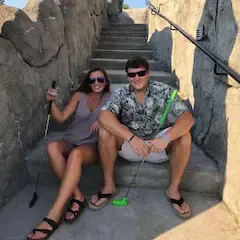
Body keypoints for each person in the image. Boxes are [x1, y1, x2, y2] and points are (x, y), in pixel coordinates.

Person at [88, 56, 194, 219]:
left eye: (141, 73)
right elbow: (104, 116)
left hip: (157, 146)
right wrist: (132, 139)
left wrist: (165, 138)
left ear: (148, 73)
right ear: (127, 76)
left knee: (184, 136)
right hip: (131, 146)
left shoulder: (164, 91)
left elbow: (187, 119)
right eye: (132, 75)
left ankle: (173, 190)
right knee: (105, 131)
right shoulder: (121, 93)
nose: (136, 78)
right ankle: (109, 186)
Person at [27, 68, 111, 240]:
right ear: (88, 82)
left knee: (76, 155)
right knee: (51, 147)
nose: (96, 83)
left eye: (100, 79)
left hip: (91, 145)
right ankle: (78, 196)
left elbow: (116, 120)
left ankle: (54, 214)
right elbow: (61, 117)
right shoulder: (79, 96)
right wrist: (52, 102)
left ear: (106, 81)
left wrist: (102, 120)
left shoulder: (111, 98)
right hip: (71, 139)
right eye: (92, 80)